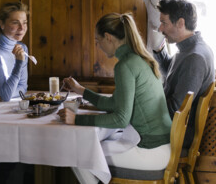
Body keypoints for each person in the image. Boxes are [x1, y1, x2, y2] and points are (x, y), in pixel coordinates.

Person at [58, 13, 172, 184]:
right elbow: (115, 103)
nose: (98, 46)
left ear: (108, 38)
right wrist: (80, 90)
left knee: (79, 153)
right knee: (87, 150)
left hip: (151, 152)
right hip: (163, 147)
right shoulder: (139, 59)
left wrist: (76, 119)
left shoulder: (125, 66)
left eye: (98, 41)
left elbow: (120, 119)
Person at [151, 0, 215, 151]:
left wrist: (145, 103)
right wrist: (159, 51)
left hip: (179, 134)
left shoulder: (194, 58)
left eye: (164, 23)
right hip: (176, 129)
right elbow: (174, 73)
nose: (160, 29)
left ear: (180, 23)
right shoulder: (191, 49)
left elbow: (177, 109)